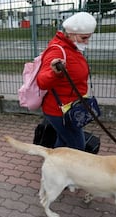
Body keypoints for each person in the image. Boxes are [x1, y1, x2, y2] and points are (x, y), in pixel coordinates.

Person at [36, 12, 97, 150]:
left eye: (89, 37)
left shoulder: (72, 47)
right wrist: (54, 73)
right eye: (84, 38)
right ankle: (66, 170)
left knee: (63, 141)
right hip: (61, 111)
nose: (87, 42)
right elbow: (41, 81)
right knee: (77, 147)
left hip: (71, 107)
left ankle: (55, 167)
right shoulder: (57, 51)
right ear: (71, 34)